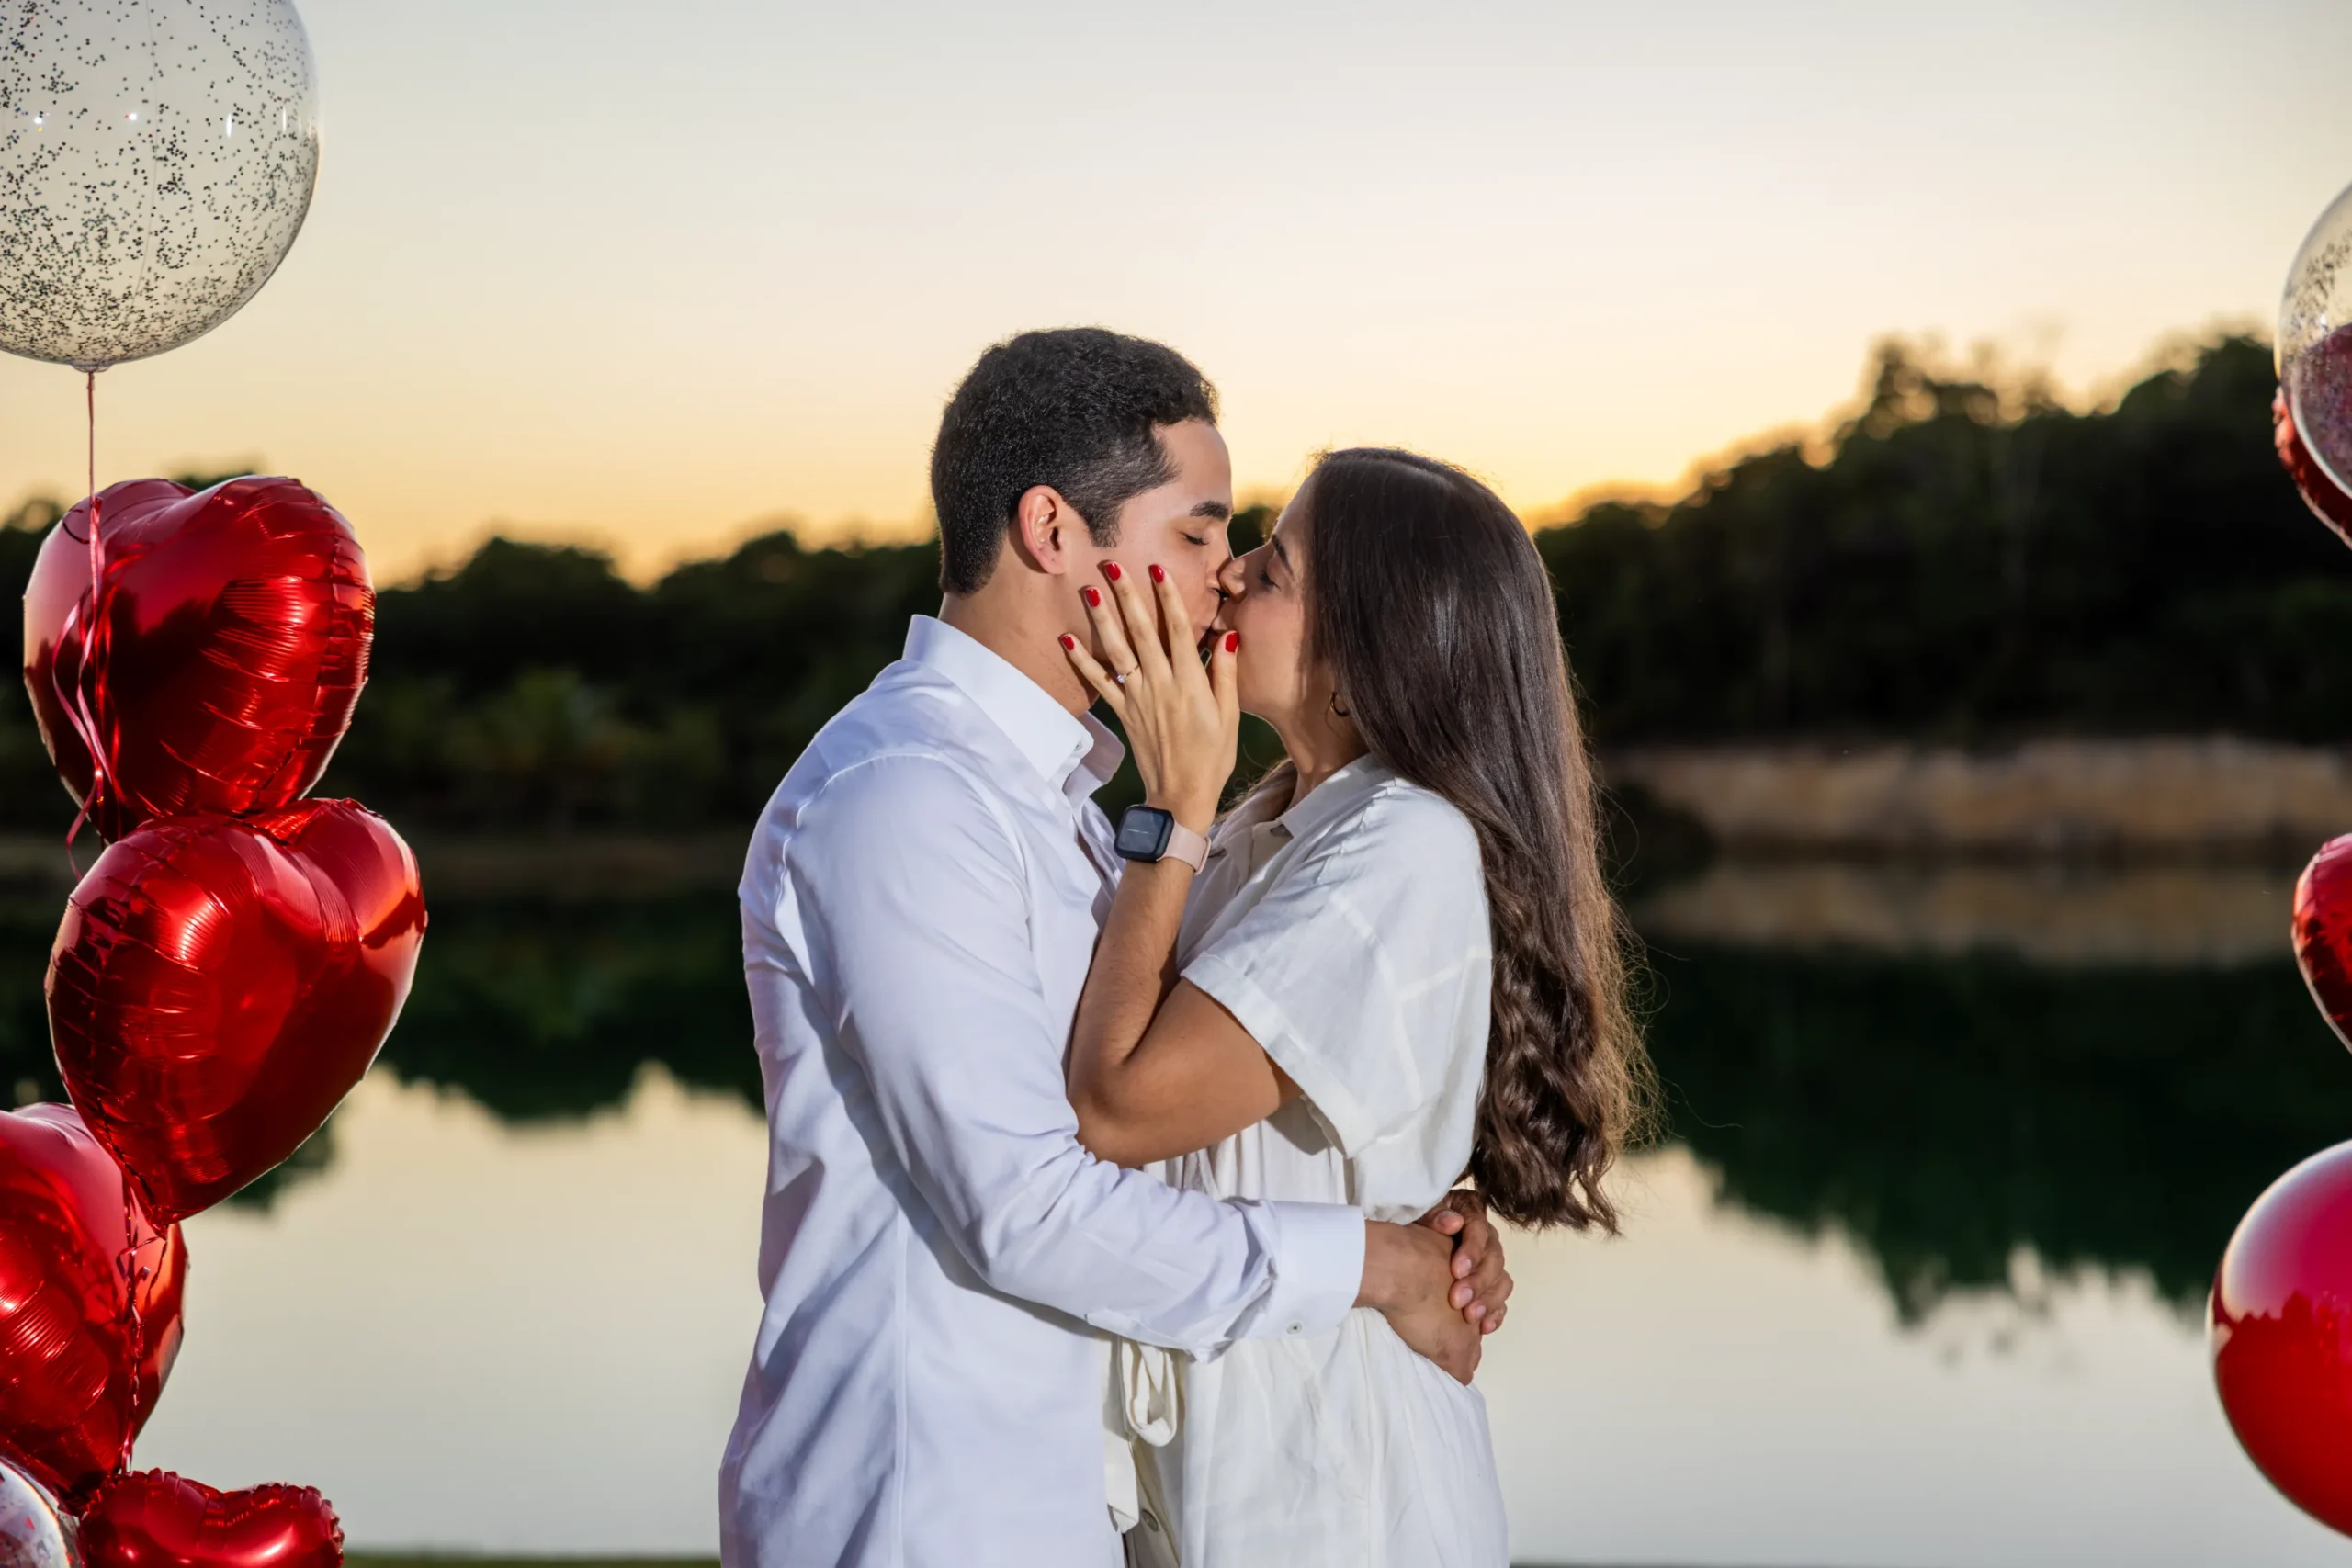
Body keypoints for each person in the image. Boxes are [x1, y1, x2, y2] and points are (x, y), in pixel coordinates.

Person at [718, 332, 1512, 1568]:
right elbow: (1031, 1204)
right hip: (926, 1503)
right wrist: (1378, 1257)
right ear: (1052, 530)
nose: (1223, 579)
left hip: (1083, 1506)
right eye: (1199, 535)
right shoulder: (908, 800)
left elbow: (1183, 1111)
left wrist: (1406, 1213)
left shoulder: (1072, 814)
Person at [1057, 446, 1653, 1568]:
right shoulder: (1265, 830)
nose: (1227, 576)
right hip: (1230, 1469)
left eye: (1272, 569)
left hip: (1331, 1492)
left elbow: (1122, 1106)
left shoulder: (1400, 844)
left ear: (1362, 659)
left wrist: (1172, 804)